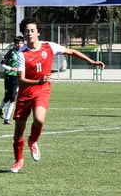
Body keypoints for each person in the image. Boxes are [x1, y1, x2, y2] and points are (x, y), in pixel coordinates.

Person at [9, 18, 105, 173]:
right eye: (26, 31)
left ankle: (33, 140)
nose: (29, 33)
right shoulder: (22, 54)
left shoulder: (49, 46)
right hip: (25, 93)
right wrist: (38, 81)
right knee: (18, 133)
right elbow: (21, 80)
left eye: (32, 30)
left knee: (39, 120)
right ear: (24, 34)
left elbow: (72, 51)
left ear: (38, 32)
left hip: (42, 91)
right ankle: (18, 161)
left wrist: (92, 62)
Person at [0, 36, 24, 125]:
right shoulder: (11, 52)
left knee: (13, 97)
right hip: (9, 76)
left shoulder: (25, 53)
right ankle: (0, 107)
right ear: (15, 44)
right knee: (7, 97)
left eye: (21, 43)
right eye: (17, 43)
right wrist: (10, 68)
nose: (19, 45)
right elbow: (2, 64)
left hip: (18, 78)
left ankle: (7, 119)